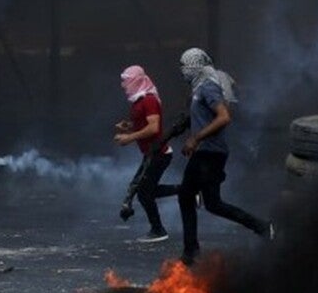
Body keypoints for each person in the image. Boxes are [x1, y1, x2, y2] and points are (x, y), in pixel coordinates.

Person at [175, 48, 271, 265]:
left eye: (185, 65)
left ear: (195, 65)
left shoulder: (208, 87)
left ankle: (192, 252)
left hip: (209, 153)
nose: (183, 70)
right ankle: (261, 227)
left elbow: (224, 117)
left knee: (199, 199)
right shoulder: (199, 88)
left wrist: (196, 138)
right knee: (202, 200)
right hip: (206, 152)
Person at [113, 65, 179, 242]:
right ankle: (187, 190)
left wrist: (129, 138)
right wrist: (129, 127)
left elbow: (153, 128)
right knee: (145, 190)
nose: (123, 85)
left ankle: (158, 230)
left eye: (126, 81)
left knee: (143, 192)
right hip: (152, 153)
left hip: (159, 153)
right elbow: (144, 124)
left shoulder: (149, 100)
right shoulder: (139, 100)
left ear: (136, 81)